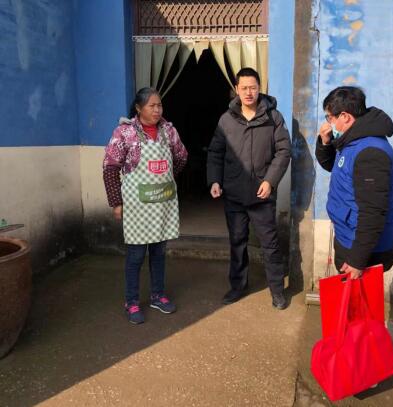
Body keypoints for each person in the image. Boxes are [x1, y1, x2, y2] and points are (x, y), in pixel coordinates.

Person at [207, 68, 291, 309]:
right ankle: (238, 287)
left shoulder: (273, 117)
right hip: (234, 192)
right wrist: (215, 180)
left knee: (270, 245)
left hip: (261, 193)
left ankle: (277, 291)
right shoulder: (226, 120)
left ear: (259, 87)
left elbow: (284, 151)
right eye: (243, 88)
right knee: (237, 242)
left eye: (252, 87)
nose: (248, 92)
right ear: (236, 89)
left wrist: (270, 181)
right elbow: (215, 152)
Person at [103, 87, 188, 324]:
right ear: (139, 108)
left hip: (163, 203)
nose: (157, 110)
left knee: (159, 253)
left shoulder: (168, 131)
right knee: (136, 255)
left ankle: (157, 295)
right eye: (152, 106)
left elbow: (181, 157)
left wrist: (166, 178)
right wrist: (116, 202)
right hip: (137, 205)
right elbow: (110, 167)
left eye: (159, 105)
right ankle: (131, 301)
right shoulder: (124, 132)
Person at [316, 86, 393, 279]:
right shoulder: (352, 140)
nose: (328, 123)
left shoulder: (370, 152)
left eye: (330, 117)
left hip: (361, 249)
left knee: (360, 298)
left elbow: (372, 211)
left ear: (345, 116)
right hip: (348, 236)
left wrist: (357, 260)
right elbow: (336, 168)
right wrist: (325, 143)